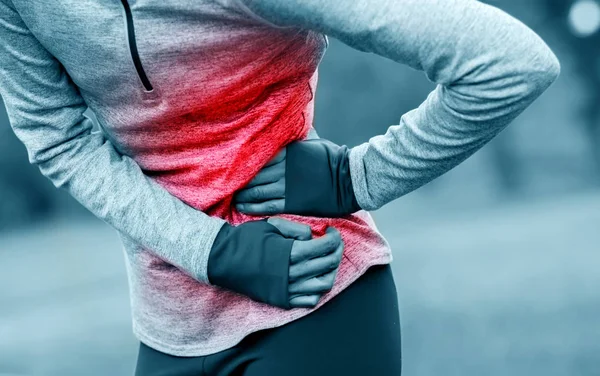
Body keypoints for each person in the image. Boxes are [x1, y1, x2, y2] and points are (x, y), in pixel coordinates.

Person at [0, 0, 560, 375]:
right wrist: (212, 250)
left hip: (317, 299)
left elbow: (509, 63)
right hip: (169, 330)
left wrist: (357, 176)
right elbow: (58, 139)